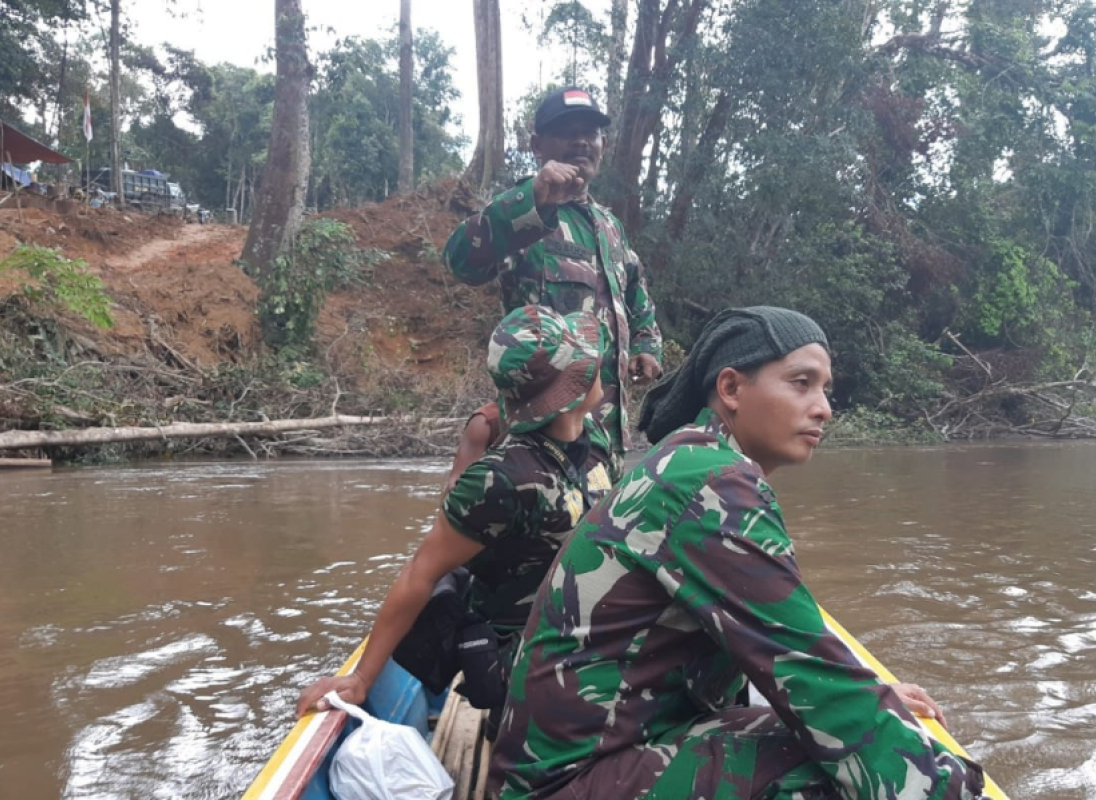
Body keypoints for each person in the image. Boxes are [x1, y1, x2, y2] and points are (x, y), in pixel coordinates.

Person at [491, 306, 988, 800]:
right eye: (801, 382)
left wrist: (871, 699)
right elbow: (806, 667)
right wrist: (951, 786)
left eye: (825, 389)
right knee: (841, 776)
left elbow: (797, 660)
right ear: (730, 389)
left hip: (589, 759)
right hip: (564, 784)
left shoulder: (694, 461)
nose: (823, 408)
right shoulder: (710, 482)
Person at [296, 305, 617, 717]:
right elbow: (421, 572)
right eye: (586, 363)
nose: (598, 368)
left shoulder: (595, 441)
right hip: (530, 653)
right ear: (570, 387)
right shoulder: (500, 479)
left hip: (582, 626)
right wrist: (361, 678)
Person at [443, 86, 664, 465]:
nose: (580, 141)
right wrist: (534, 198)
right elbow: (459, 261)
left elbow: (636, 297)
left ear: (603, 144)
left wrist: (647, 347)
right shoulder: (524, 211)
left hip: (609, 439)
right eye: (565, 131)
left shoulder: (610, 227)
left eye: (590, 133)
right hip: (544, 442)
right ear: (537, 144)